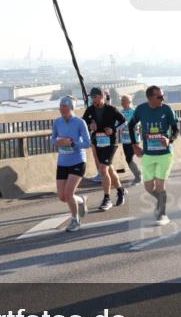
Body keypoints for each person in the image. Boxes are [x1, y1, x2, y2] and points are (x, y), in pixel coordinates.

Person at [129, 85, 180, 225]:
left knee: (160, 186)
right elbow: (130, 125)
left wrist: (169, 139)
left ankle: (163, 214)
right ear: (150, 98)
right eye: (159, 97)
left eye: (162, 96)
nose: (162, 99)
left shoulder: (167, 109)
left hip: (165, 154)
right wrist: (134, 145)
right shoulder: (141, 109)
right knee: (148, 188)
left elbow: (176, 129)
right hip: (148, 154)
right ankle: (161, 199)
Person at [52, 95, 92, 231]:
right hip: (62, 162)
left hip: (78, 162)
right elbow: (52, 139)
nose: (62, 110)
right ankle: (81, 200)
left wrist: (73, 143)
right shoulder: (57, 122)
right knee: (62, 197)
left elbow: (88, 143)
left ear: (71, 108)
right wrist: (58, 142)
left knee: (69, 194)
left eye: (65, 107)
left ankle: (75, 220)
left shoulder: (80, 122)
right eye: (60, 107)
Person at [83, 87, 127, 211]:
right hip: (98, 143)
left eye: (95, 97)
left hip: (111, 143)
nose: (93, 99)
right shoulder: (90, 110)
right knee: (109, 170)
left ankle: (107, 199)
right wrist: (90, 126)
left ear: (102, 96)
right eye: (91, 97)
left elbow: (124, 122)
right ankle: (120, 190)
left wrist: (113, 130)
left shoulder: (111, 109)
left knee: (102, 170)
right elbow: (83, 124)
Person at [118, 94, 142, 184]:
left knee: (129, 158)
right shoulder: (120, 112)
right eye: (122, 101)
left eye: (124, 101)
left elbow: (138, 124)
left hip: (134, 139)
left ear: (129, 102)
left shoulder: (134, 112)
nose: (122, 103)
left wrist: (129, 125)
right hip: (124, 140)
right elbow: (117, 125)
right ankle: (138, 174)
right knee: (128, 159)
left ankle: (138, 176)